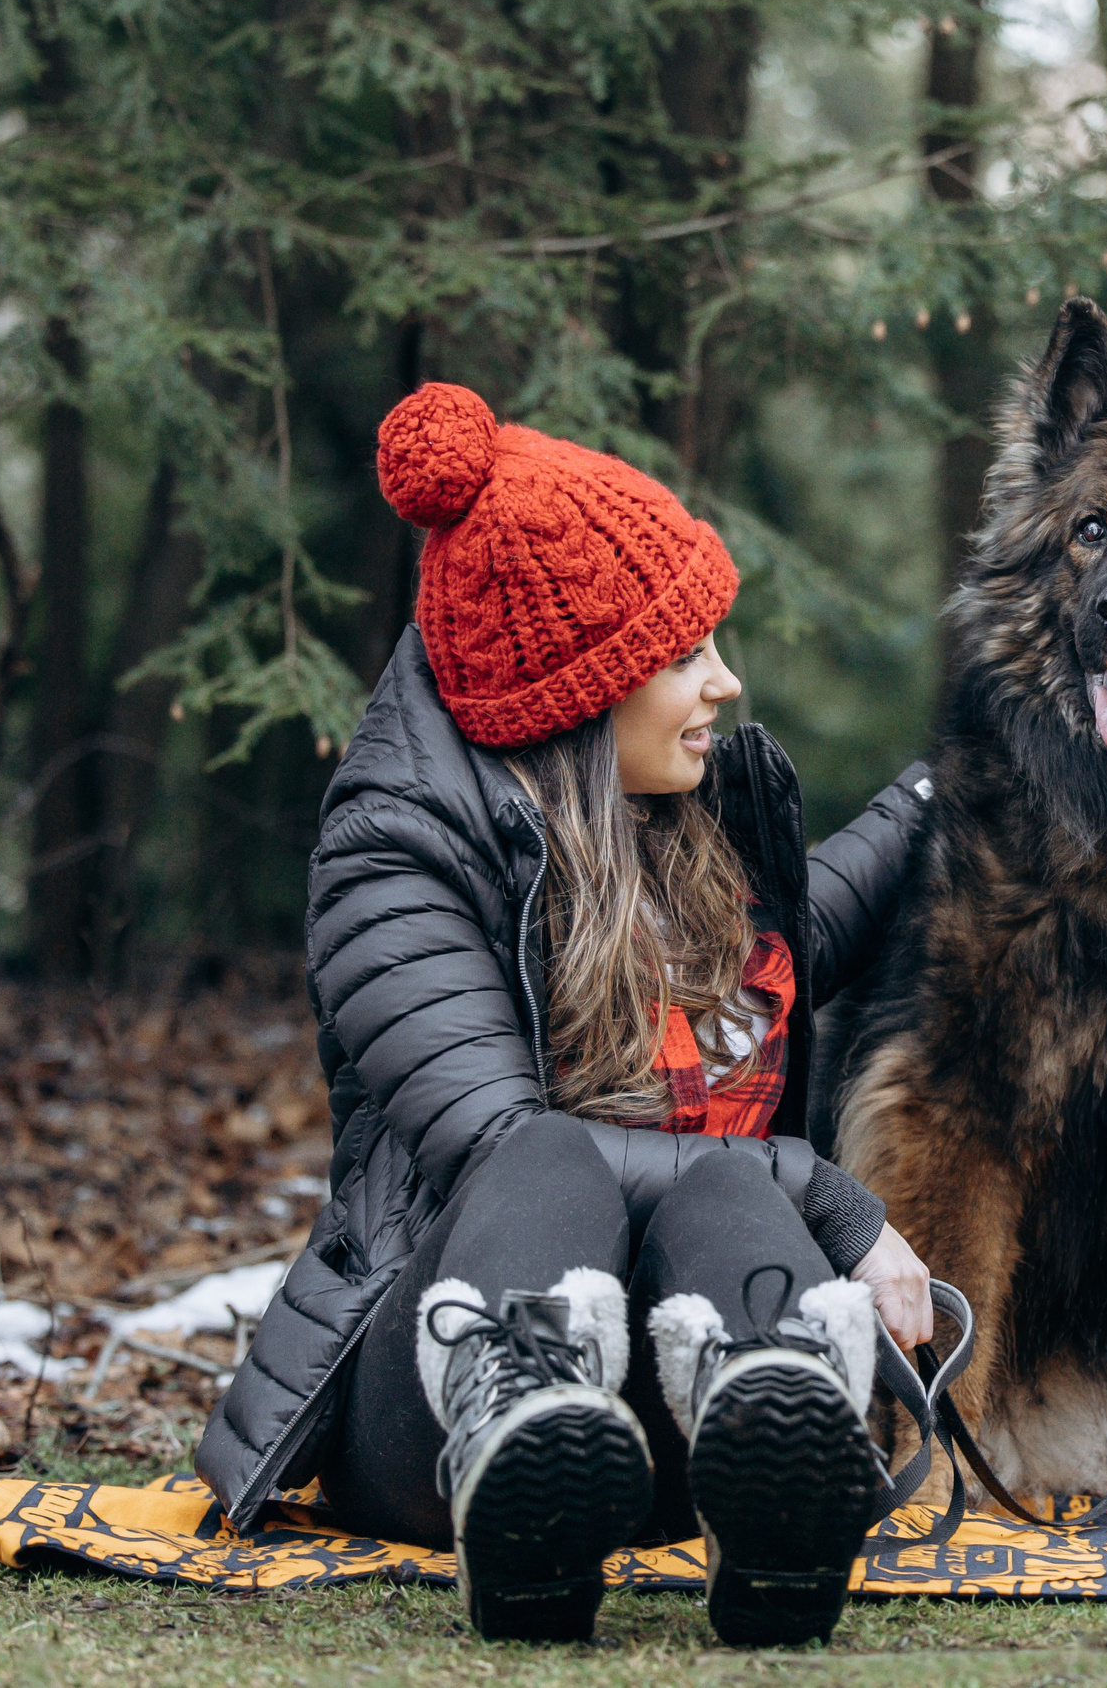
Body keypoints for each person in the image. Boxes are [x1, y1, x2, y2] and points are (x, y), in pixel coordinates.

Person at [197, 382, 936, 1649]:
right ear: (579, 685)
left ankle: (776, 1498)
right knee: (550, 1153)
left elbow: (777, 956)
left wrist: (937, 796)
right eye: (685, 653)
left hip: (644, 1422)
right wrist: (826, 1191)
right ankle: (521, 1456)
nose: (724, 679)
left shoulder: (660, 821)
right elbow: (486, 1141)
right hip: (422, 1400)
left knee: (721, 1190)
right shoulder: (397, 855)